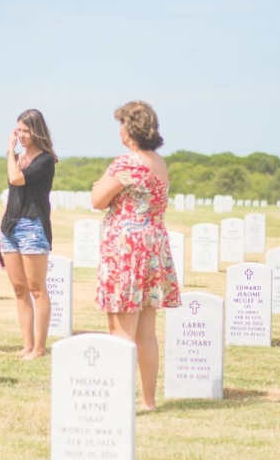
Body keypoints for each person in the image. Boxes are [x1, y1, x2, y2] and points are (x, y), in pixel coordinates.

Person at [91, 100, 181, 410]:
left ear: (129, 129)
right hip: (153, 245)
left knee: (121, 330)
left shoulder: (126, 164)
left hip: (126, 249)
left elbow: (97, 200)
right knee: (146, 333)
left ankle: (120, 403)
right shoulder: (159, 162)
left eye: (121, 125)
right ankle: (148, 400)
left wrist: (100, 186)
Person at [0, 109, 57, 360]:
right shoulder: (18, 158)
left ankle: (39, 348)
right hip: (10, 227)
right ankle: (27, 345)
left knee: (36, 289)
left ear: (36, 131)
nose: (20, 135)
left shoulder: (45, 160)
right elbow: (11, 196)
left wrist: (9, 151)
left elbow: (16, 179)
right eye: (18, 130)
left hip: (33, 226)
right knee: (19, 289)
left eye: (25, 131)